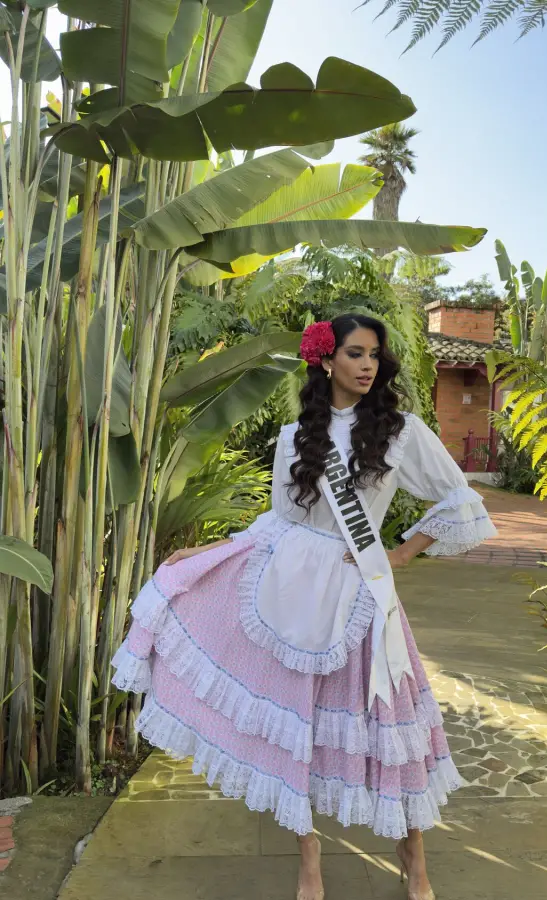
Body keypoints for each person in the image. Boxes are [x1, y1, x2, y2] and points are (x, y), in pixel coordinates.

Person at [112, 313, 496, 900]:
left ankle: (413, 856)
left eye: (374, 355)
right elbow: (278, 521)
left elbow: (459, 498)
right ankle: (309, 855)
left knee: (391, 723)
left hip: (358, 591)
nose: (368, 365)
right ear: (327, 360)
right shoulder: (297, 437)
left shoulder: (400, 430)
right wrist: (212, 548)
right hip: (291, 589)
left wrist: (400, 554)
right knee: (298, 727)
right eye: (355, 354)